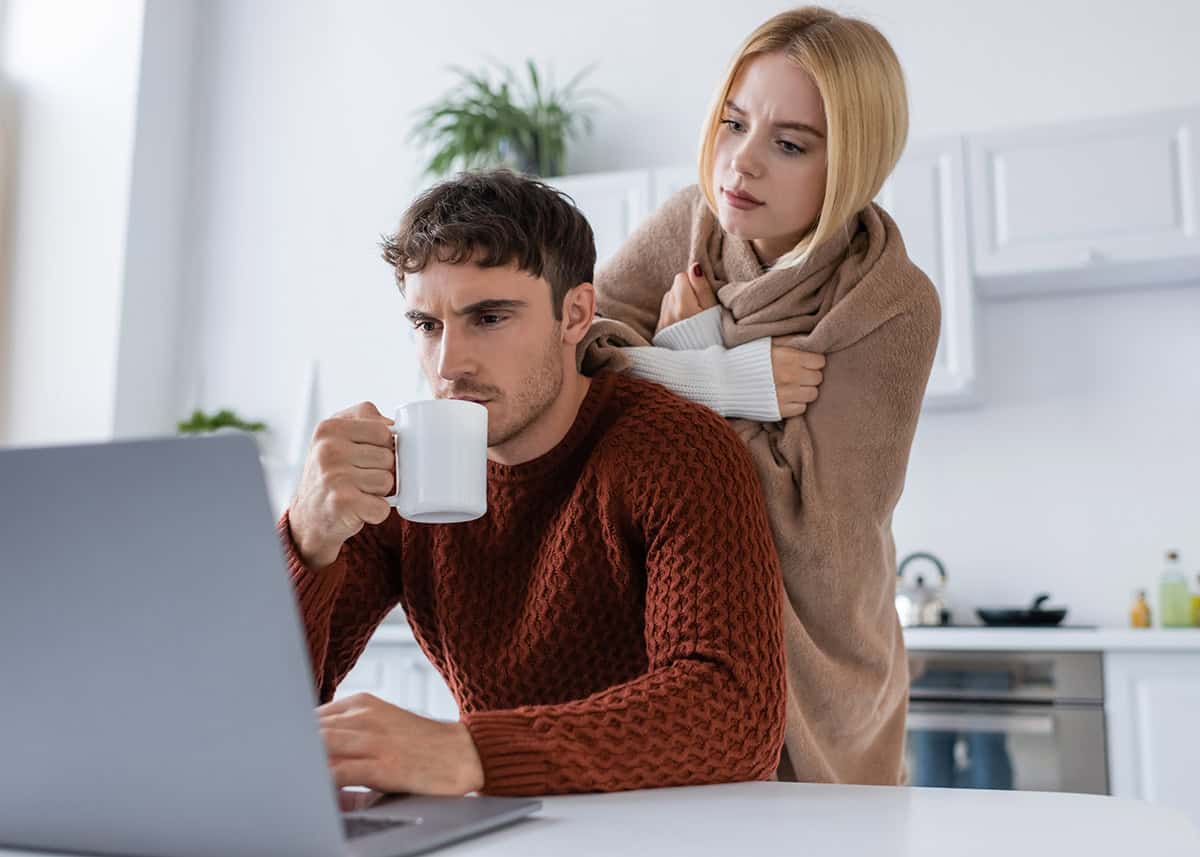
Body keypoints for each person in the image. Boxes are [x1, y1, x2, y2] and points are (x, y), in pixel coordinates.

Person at [279, 169, 787, 797]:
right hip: (510, 830)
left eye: (488, 317)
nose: (449, 365)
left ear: (575, 313)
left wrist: (470, 753)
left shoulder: (676, 452)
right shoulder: (398, 476)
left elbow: (735, 711)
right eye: (426, 325)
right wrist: (305, 540)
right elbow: (252, 717)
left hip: (670, 833)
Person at [580, 6, 941, 785]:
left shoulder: (892, 303)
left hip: (827, 663)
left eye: (788, 144)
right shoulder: (693, 222)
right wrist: (700, 370)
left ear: (852, 160)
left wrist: (688, 347)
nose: (740, 165)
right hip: (671, 646)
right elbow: (573, 356)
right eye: (734, 123)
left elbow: (814, 527)